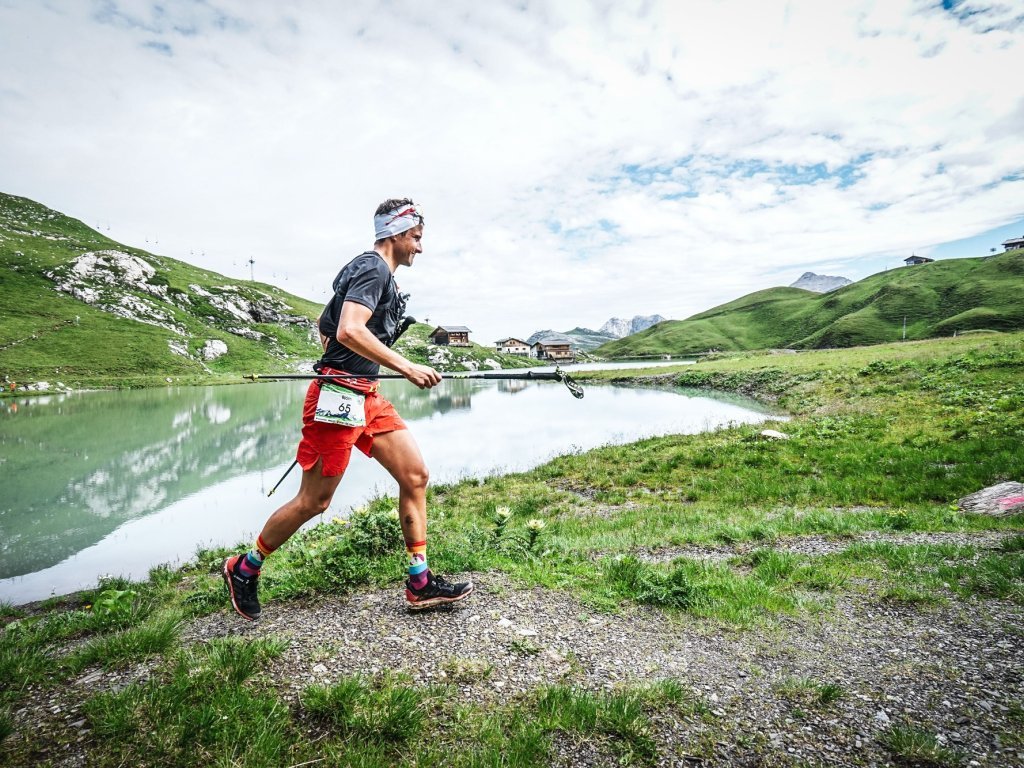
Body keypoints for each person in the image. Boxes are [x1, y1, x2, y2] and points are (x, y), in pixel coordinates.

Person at [223, 198, 474, 620]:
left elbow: (326, 326)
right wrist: (406, 366)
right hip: (336, 400)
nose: (420, 247)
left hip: (367, 396)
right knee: (314, 502)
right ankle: (244, 568)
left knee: (415, 475)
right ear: (395, 234)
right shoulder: (372, 268)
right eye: (416, 238)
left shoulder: (381, 277)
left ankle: (420, 581)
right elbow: (348, 328)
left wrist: (350, 363)